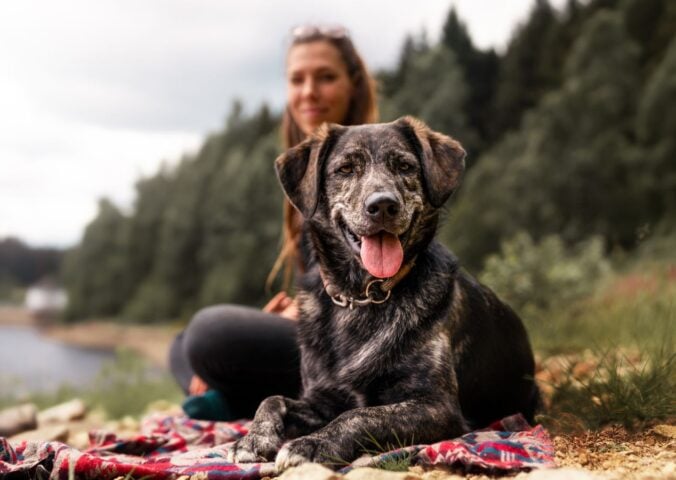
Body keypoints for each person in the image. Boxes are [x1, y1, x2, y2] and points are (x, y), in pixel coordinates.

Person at [168, 25, 378, 421]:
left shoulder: (372, 166)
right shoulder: (307, 172)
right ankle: (239, 399)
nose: (308, 91)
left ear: (353, 85)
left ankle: (232, 402)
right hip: (321, 331)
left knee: (209, 336)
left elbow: (378, 285)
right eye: (297, 79)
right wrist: (286, 314)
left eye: (325, 77)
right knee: (181, 345)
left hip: (363, 338)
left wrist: (300, 312)